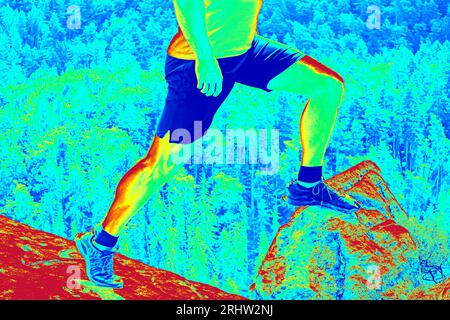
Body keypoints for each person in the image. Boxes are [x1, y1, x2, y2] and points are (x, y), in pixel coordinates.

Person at [75, 0, 360, 289]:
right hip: (198, 65)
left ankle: (308, 186)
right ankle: (100, 241)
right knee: (162, 165)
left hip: (244, 53)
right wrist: (205, 57)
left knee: (327, 86)